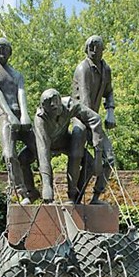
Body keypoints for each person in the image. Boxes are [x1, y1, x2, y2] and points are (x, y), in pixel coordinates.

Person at [0, 38, 39, 205]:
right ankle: (23, 192)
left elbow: (21, 93)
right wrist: (10, 115)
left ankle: (40, 190)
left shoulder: (17, 74)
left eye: (6, 48)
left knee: (41, 149)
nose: (3, 51)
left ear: (10, 51)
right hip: (4, 116)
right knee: (9, 155)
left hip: (20, 115)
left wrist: (25, 115)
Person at [34, 89, 103, 204]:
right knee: (23, 159)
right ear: (44, 109)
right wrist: (46, 186)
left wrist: (98, 154)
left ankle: (75, 196)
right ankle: (32, 194)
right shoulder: (40, 118)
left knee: (90, 163)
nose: (56, 108)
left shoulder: (69, 105)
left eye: (57, 104)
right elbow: (43, 152)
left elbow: (95, 119)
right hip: (43, 143)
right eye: (52, 108)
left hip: (64, 140)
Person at [72, 35, 116, 204]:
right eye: (91, 47)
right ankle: (73, 196)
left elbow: (109, 91)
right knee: (77, 156)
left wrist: (110, 111)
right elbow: (85, 103)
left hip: (95, 120)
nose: (94, 50)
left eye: (97, 47)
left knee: (109, 159)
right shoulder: (82, 69)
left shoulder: (106, 69)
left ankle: (96, 197)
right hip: (80, 119)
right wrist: (93, 132)